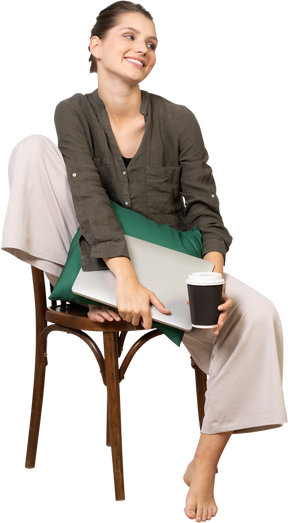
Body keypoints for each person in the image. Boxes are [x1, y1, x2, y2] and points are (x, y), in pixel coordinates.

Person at [1, 2, 287, 522]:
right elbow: (86, 196)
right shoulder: (71, 110)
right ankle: (85, 292)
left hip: (175, 263)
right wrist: (122, 284)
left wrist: (214, 278)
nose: (144, 49)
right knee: (31, 148)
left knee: (263, 311)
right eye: (131, 37)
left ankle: (208, 453)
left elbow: (209, 213)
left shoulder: (181, 118)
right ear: (96, 45)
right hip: (97, 260)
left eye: (153, 44)